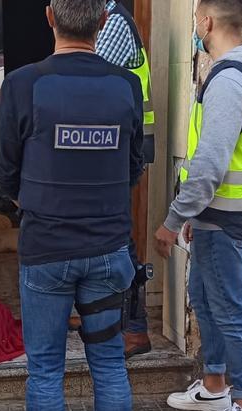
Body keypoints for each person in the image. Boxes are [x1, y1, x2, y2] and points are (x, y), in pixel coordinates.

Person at [0, 0, 144, 411]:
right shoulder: (126, 86)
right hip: (107, 252)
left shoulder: (22, 85)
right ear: (103, 23)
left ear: (49, 16)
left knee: (44, 371)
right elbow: (133, 167)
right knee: (109, 366)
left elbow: (4, 173)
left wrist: (36, 204)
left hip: (46, 255)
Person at [153, 0, 242, 411]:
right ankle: (215, 386)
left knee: (228, 309)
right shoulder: (234, 73)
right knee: (205, 300)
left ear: (206, 21)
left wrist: (173, 219)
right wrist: (195, 214)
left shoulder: (230, 79)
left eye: (194, 21)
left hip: (226, 216)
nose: (194, 28)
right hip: (214, 213)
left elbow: (208, 164)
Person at [93, 0, 155, 359]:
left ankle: (135, 328)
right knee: (105, 235)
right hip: (112, 146)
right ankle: (105, 311)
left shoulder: (114, 24)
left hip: (123, 149)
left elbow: (93, 79)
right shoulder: (105, 22)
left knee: (118, 240)